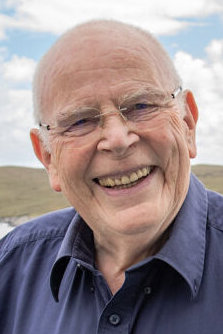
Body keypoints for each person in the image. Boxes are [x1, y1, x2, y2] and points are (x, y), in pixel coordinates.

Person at [0, 19, 223, 334]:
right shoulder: (11, 267)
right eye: (79, 122)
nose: (117, 140)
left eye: (140, 105)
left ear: (187, 123)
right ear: (48, 158)